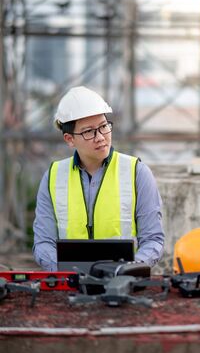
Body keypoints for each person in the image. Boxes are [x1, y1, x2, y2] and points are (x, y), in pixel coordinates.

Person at [33, 86, 164, 271]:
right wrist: (66, 271)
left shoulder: (137, 172)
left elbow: (153, 240)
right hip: (71, 284)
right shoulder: (53, 177)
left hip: (125, 284)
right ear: (69, 139)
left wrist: (128, 270)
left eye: (104, 126)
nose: (101, 137)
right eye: (89, 131)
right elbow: (43, 243)